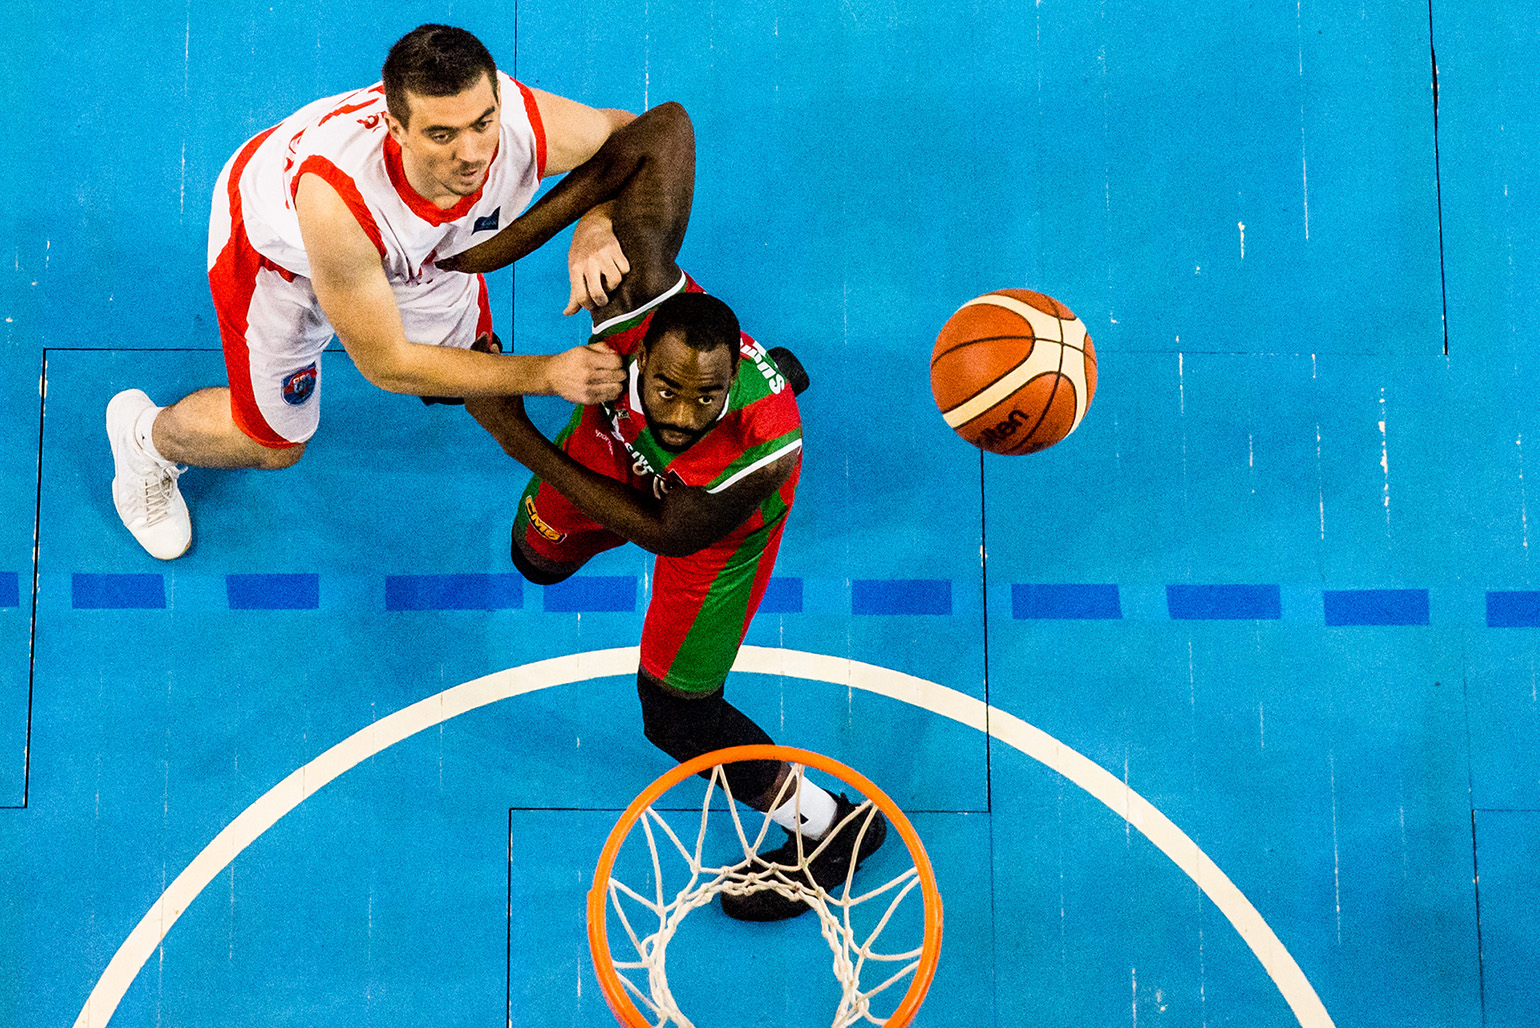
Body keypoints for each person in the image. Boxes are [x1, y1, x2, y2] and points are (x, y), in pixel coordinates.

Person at [439, 101, 886, 922]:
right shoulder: (635, 293)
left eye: (707, 397)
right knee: (535, 559)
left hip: (712, 534)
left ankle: (831, 827)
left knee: (675, 718)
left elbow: (665, 534)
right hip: (617, 443)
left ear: (731, 385)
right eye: (670, 388)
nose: (683, 414)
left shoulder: (762, 447)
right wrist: (536, 238)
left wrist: (510, 427)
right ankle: (767, 371)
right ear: (642, 346)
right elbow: (669, 126)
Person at [106, 24, 631, 560]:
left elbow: (633, 138)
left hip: (409, 247)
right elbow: (388, 366)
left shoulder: (524, 124)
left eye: (482, 123)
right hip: (280, 256)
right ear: (394, 127)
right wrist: (548, 374)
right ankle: (144, 438)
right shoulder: (336, 202)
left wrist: (596, 224)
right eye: (442, 135)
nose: (473, 154)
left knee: (466, 368)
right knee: (274, 445)